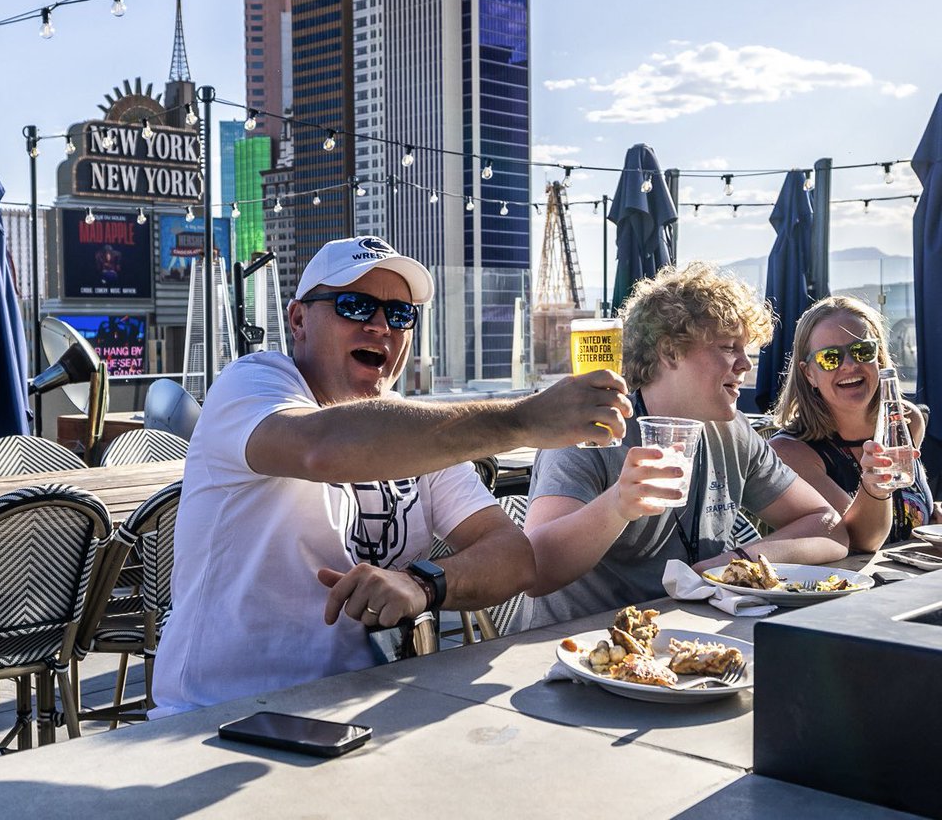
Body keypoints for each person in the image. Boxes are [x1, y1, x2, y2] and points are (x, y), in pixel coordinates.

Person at [152, 235, 629, 715]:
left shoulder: (410, 429)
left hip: (365, 710)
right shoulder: (252, 382)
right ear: (298, 319)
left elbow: (514, 558)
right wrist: (523, 420)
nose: (380, 325)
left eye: (400, 315)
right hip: (219, 715)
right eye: (356, 305)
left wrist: (424, 584)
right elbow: (320, 448)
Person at [522, 262, 849, 628]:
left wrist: (737, 560)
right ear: (670, 352)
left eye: (746, 350)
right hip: (573, 651)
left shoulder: (733, 432)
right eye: (728, 347)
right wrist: (617, 505)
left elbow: (829, 527)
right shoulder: (591, 429)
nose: (744, 364)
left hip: (687, 638)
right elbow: (535, 570)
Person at [769, 295, 935, 553]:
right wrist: (874, 488)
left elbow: (909, 515)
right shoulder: (790, 453)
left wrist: (932, 514)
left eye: (862, 351)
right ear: (808, 373)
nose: (849, 365)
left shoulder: (907, 421)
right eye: (830, 358)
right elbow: (855, 541)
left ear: (878, 358)